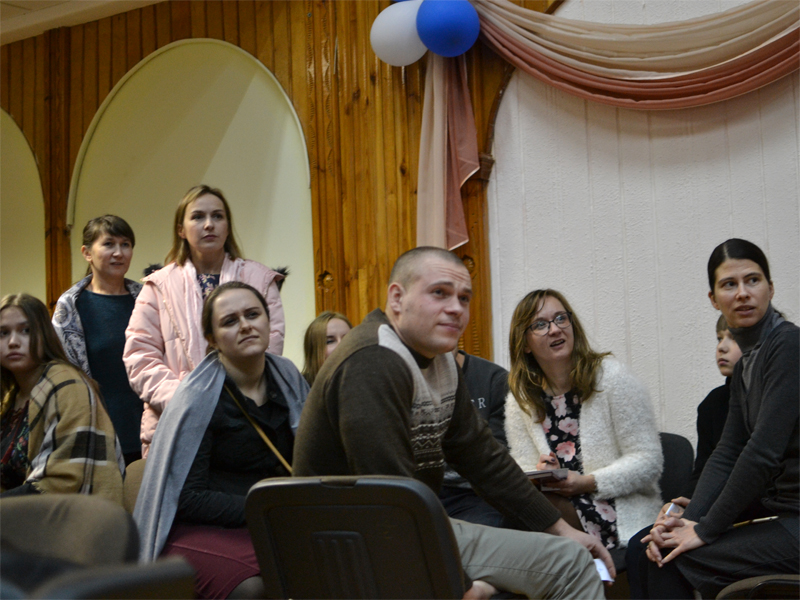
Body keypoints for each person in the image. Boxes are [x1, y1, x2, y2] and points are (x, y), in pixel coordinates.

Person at [293, 246, 613, 599]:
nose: (456, 308)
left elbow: (483, 457)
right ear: (397, 299)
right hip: (349, 542)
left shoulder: (440, 359)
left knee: (572, 559)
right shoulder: (372, 360)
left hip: (407, 527)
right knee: (563, 568)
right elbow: (388, 498)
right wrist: (460, 585)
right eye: (439, 293)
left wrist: (562, 530)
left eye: (464, 298)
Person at [636, 239, 799, 599]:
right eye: (729, 284)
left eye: (753, 280)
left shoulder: (788, 345)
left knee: (670, 558)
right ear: (713, 299)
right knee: (654, 548)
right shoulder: (748, 360)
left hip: (794, 524)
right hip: (784, 518)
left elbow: (761, 453)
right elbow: (727, 452)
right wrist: (686, 520)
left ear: (770, 289)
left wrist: (704, 528)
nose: (742, 293)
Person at [133, 282, 308, 599]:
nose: (245, 325)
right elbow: (188, 499)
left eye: (253, 314)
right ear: (212, 340)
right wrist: (268, 508)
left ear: (268, 321)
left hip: (271, 519)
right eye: (230, 321)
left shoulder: (290, 381)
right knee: (256, 588)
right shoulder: (196, 398)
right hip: (202, 529)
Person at [124, 185, 286, 457]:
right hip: (176, 421)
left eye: (217, 216)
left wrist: (229, 404)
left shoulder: (260, 279)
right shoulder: (157, 286)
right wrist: (188, 400)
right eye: (198, 217)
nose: (209, 224)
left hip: (246, 420)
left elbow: (270, 347)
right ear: (181, 229)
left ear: (227, 226)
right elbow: (140, 357)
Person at [504, 289, 663, 552]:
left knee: (537, 517)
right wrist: (542, 472)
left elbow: (649, 460)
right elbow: (522, 469)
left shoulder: (612, 378)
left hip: (617, 509)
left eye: (561, 318)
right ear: (525, 344)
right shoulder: (520, 399)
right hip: (556, 506)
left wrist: (587, 483)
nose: (555, 329)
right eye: (540, 325)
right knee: (520, 507)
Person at [0, 294, 124, 502]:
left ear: (44, 335)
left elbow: (62, 481)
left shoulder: (68, 385)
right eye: (3, 333)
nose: (13, 342)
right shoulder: (10, 397)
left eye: (26, 330)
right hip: (22, 513)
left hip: (76, 515)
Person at [52, 215, 144, 465]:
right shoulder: (70, 308)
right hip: (96, 433)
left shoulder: (148, 299)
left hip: (151, 428)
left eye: (125, 244)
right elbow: (61, 376)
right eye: (109, 244)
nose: (119, 253)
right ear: (87, 253)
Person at [439, 349, 511, 527]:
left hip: (476, 494)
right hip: (420, 492)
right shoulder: (404, 376)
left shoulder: (494, 379)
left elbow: (496, 458)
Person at [684, 315, 741, 497]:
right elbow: (704, 472)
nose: (721, 347)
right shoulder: (713, 403)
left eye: (734, 338)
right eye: (719, 338)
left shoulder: (777, 398)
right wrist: (681, 504)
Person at [301, 311, 352, 386]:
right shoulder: (300, 388)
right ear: (314, 351)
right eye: (330, 341)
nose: (341, 345)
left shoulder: (365, 382)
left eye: (347, 338)